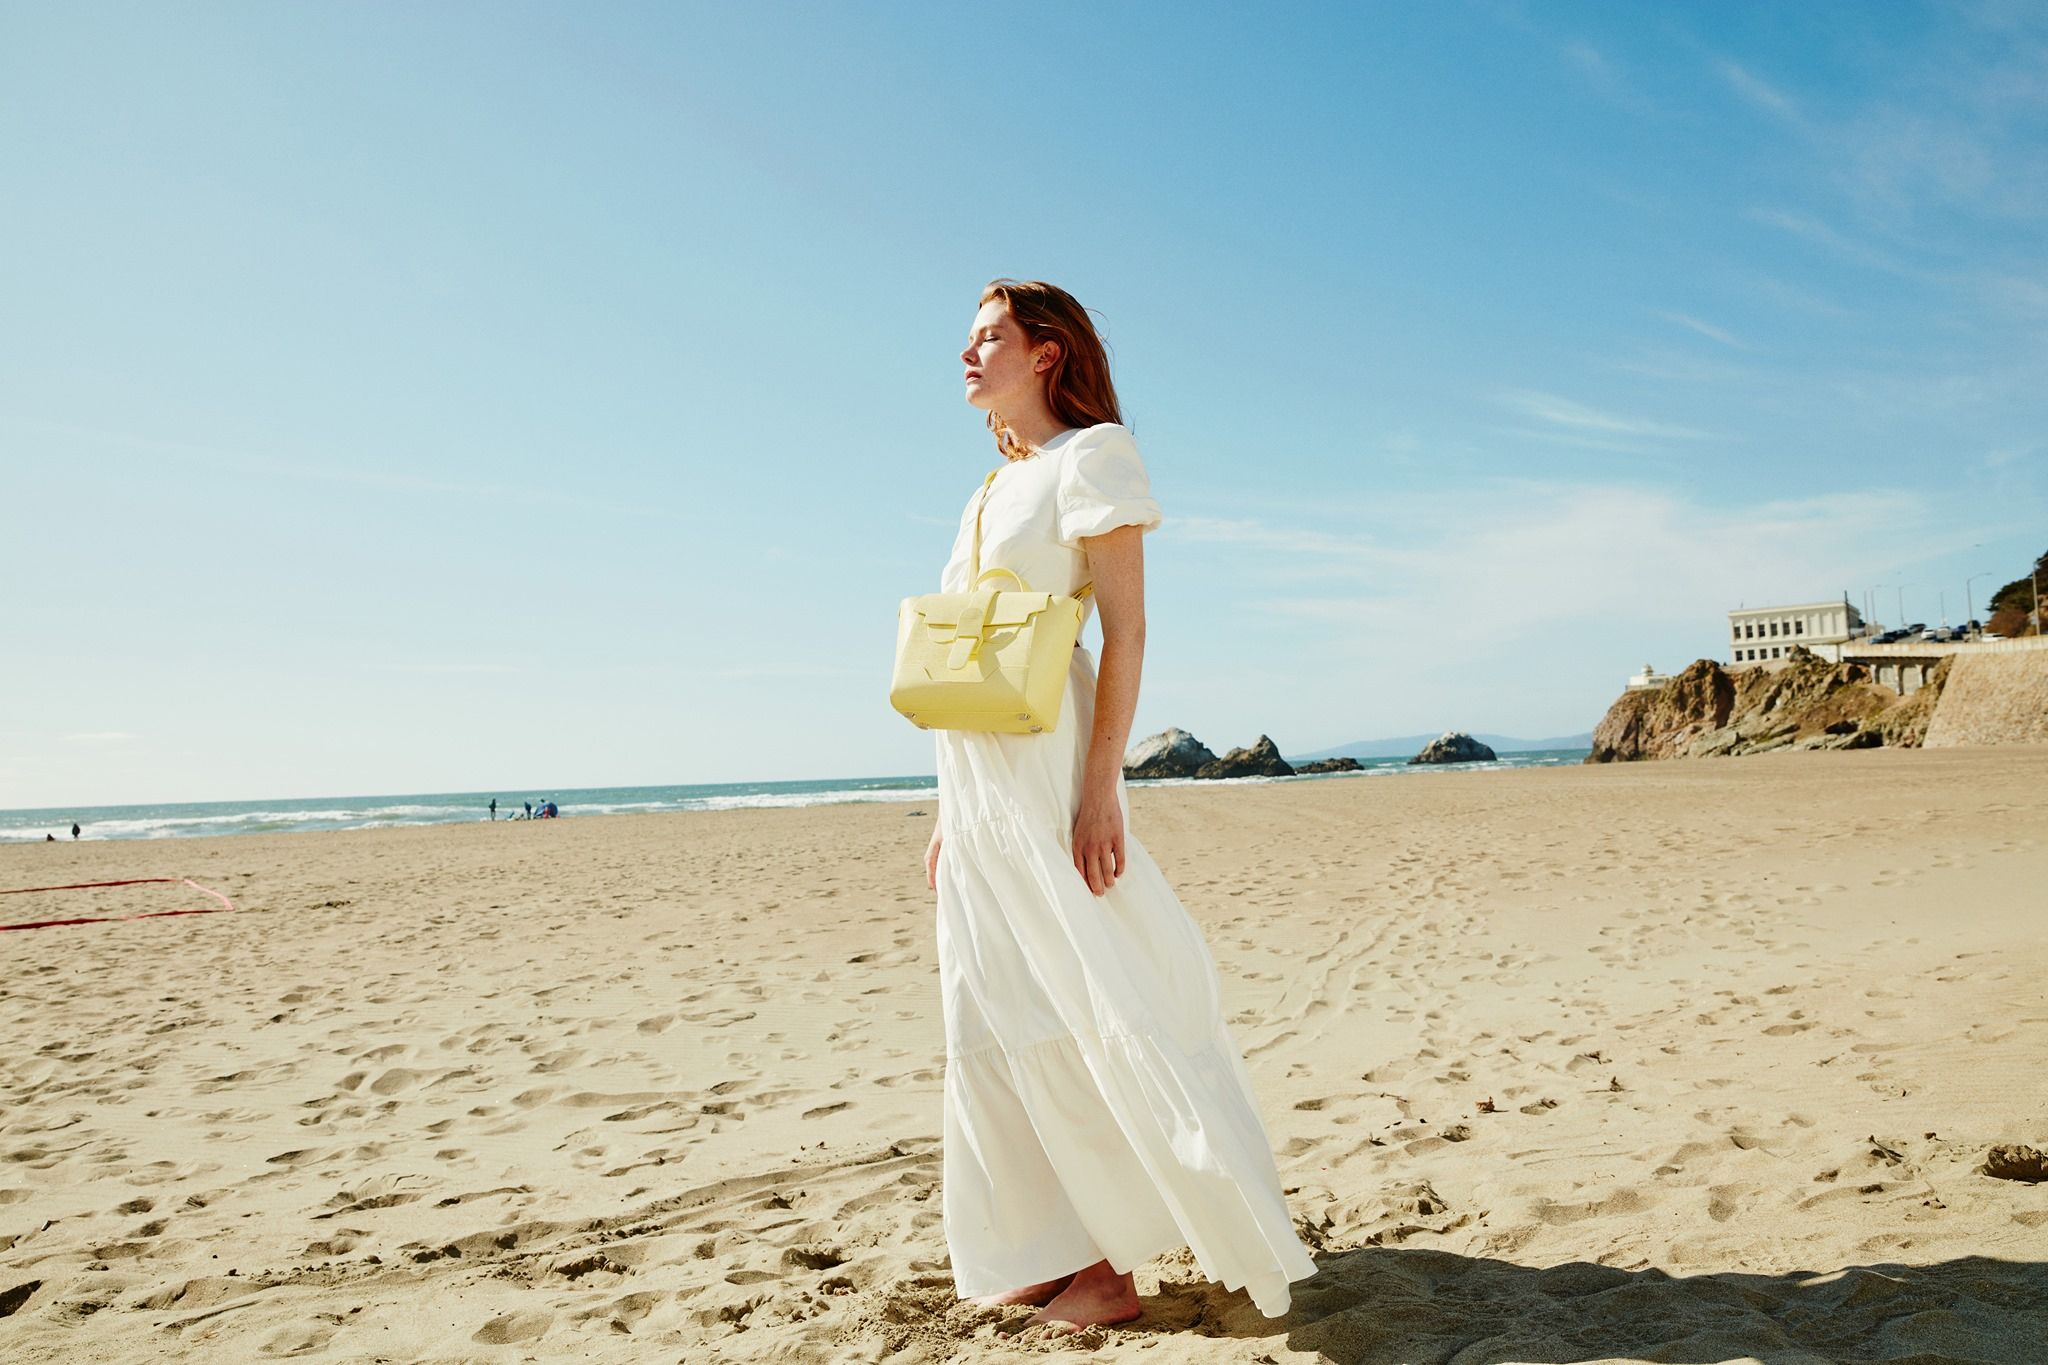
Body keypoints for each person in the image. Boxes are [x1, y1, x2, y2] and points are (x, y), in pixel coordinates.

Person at [925, 280, 1317, 1333]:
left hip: (1049, 774)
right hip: (978, 789)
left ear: (1045, 352)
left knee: (1082, 991)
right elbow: (967, 660)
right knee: (994, 1008)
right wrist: (949, 811)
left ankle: (1107, 1267)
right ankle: (1042, 1247)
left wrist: (1101, 792)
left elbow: (1125, 632)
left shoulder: (1092, 457)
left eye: (989, 336)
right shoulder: (987, 489)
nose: (967, 353)